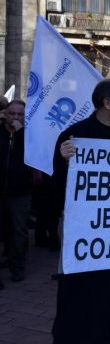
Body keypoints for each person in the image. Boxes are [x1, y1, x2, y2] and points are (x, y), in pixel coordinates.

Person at [52, 78, 110, 344]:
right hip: (87, 236)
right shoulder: (75, 136)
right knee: (80, 300)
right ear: (107, 103)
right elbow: (58, 188)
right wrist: (66, 162)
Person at [0, 100, 33, 283]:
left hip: (20, 191)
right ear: (5, 113)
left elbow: (33, 153)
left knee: (19, 231)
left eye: (20, 114)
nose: (15, 117)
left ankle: (17, 266)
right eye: (12, 113)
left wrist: (20, 132)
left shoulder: (28, 135)